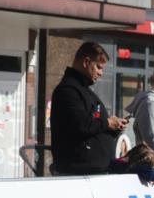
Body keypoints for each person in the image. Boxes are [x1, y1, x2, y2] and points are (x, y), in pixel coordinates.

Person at [49, 42, 128, 175]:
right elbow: (81, 125)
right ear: (86, 62)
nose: (101, 73)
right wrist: (108, 123)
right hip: (78, 174)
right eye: (98, 67)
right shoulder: (68, 90)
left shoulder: (84, 91)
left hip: (91, 172)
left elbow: (93, 127)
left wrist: (114, 128)